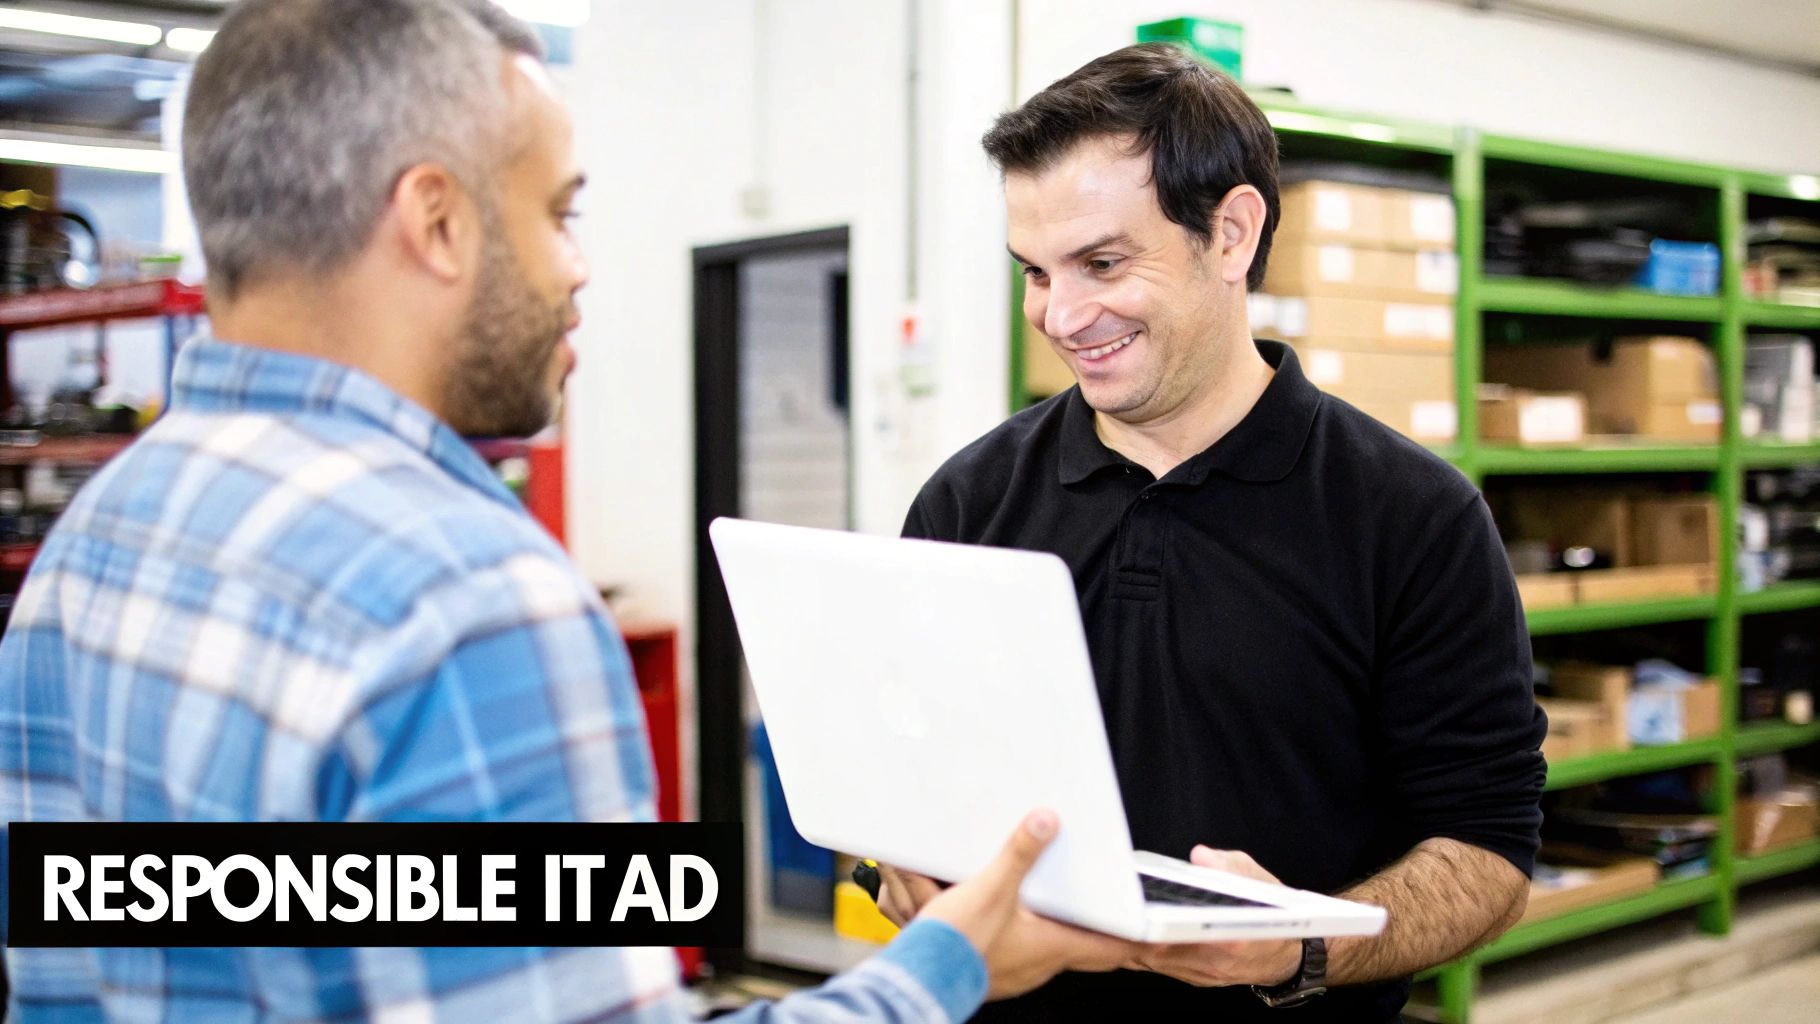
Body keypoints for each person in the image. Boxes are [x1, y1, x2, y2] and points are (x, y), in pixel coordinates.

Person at [0, 1, 1135, 1020]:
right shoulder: (469, 603)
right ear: (436, 220)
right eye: (558, 212)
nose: (578, 267)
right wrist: (940, 966)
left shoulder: (94, 539)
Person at [874, 43, 1547, 1021]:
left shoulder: (1411, 517)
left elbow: (1487, 853)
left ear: (1230, 234)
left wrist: (1303, 941)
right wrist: (895, 865)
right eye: (1033, 272)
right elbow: (906, 773)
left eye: (1100, 262)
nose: (1059, 315)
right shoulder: (964, 505)